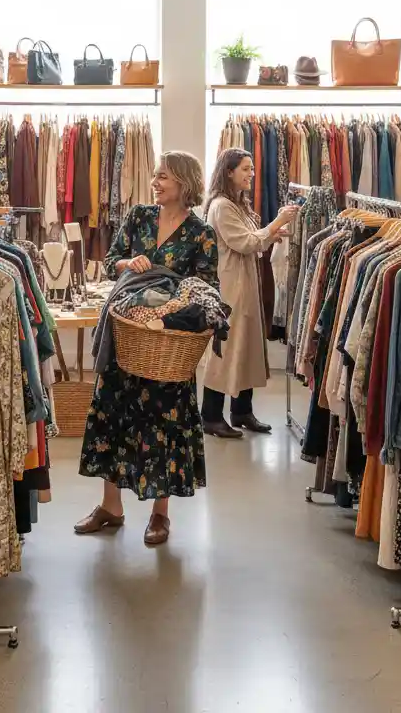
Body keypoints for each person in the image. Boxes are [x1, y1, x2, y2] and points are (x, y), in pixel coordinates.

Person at [75, 151, 218, 547]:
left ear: (185, 183)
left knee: (163, 424)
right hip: (126, 337)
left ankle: (160, 513)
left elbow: (206, 290)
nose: (155, 183)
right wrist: (128, 265)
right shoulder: (139, 217)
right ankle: (110, 507)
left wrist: (170, 305)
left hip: (164, 344)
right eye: (156, 176)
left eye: (164, 177)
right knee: (113, 416)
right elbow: (110, 262)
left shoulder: (201, 233)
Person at [201, 148, 299, 438]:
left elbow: (253, 241)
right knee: (226, 350)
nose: (252, 174)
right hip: (231, 288)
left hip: (244, 283)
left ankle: (241, 411)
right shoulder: (222, 206)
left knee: (245, 348)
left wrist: (270, 235)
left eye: (252, 168)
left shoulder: (237, 204)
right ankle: (210, 416)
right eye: (246, 168)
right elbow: (244, 242)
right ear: (229, 171)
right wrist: (277, 223)